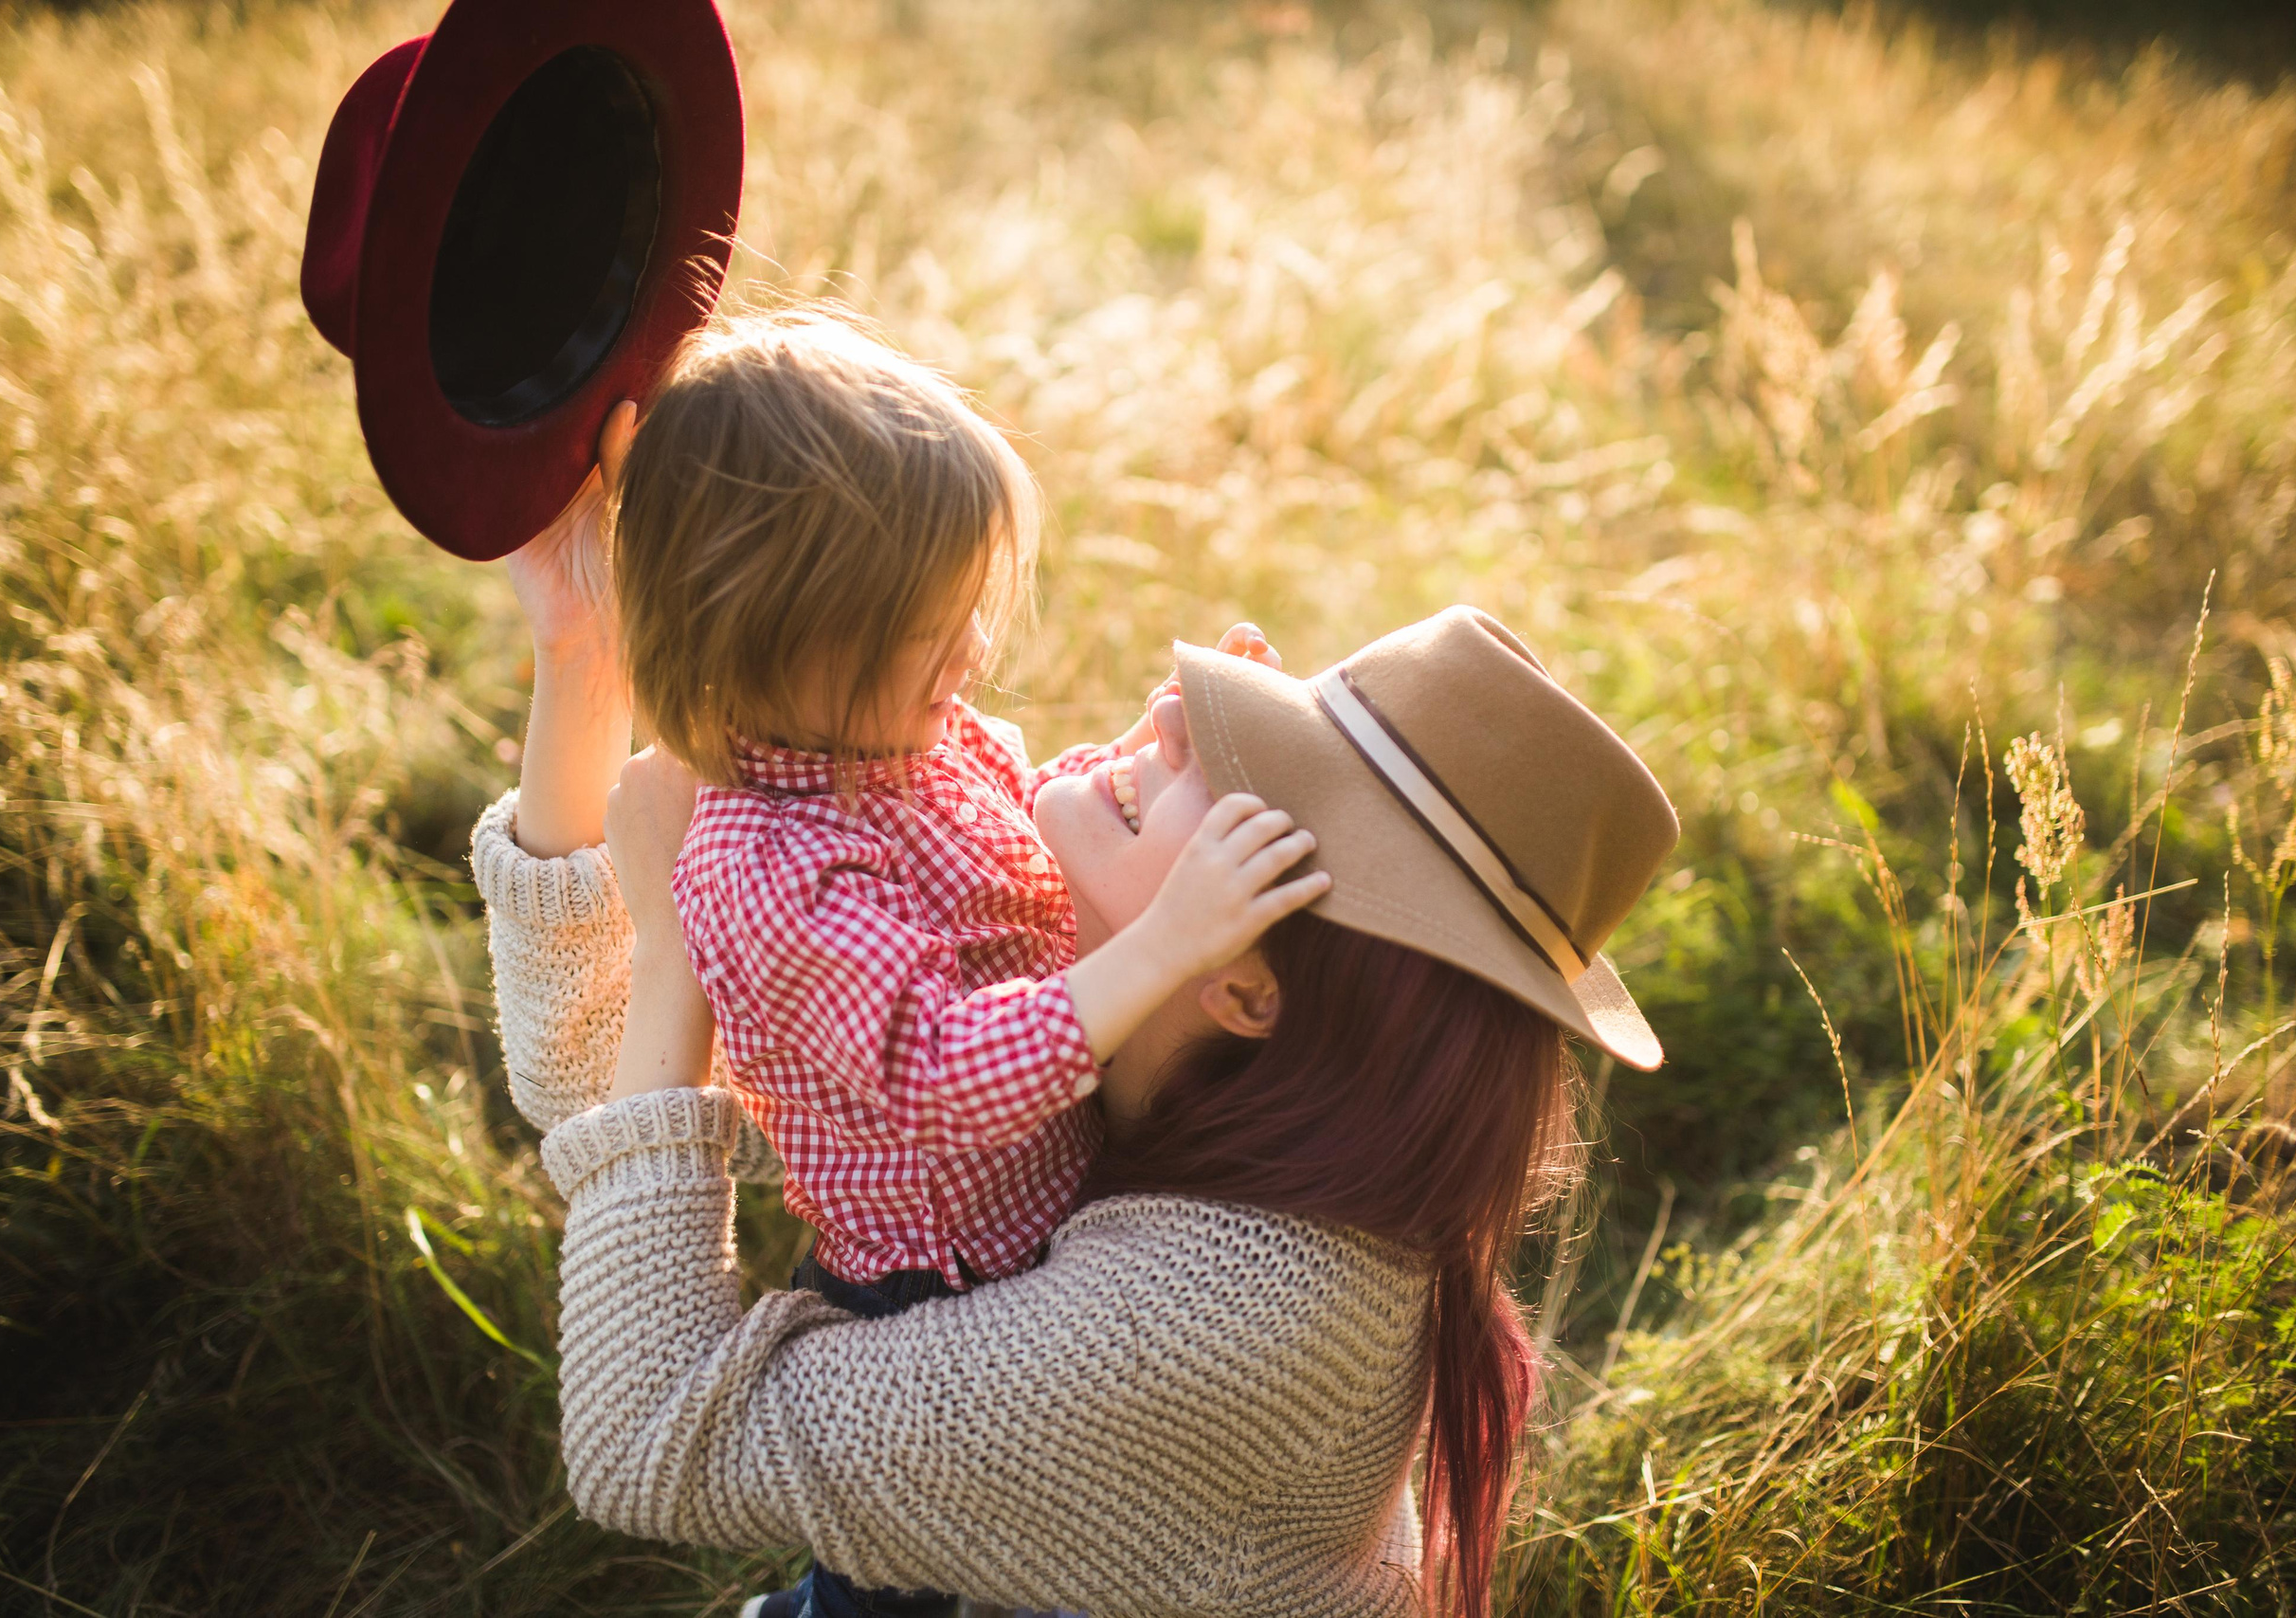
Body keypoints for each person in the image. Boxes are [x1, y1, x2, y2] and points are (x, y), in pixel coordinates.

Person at [480, 427, 1679, 1617]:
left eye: (1236, 762)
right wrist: (586, 656)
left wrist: (680, 928)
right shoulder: (1126, 1005)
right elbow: (585, 1075)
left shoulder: (1213, 1320)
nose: (1167, 714)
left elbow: (646, 1447)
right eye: (1236, 707)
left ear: (1251, 982)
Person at [585, 309, 1321, 1615]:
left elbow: (1041, 812)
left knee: (1055, 1529)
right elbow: (943, 1072)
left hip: (1041, 1210)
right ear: (774, 636)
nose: (970, 651)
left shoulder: (909, 740)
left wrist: (1187, 739)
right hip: (932, 1285)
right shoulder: (776, 868)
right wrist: (1164, 941)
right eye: (930, 630)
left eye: (967, 609)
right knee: (912, 1566)